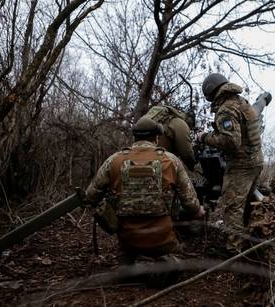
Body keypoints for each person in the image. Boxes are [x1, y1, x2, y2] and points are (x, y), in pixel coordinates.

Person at [85, 117, 205, 265]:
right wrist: (199, 211)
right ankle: (161, 261)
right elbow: (190, 202)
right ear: (156, 137)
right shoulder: (171, 160)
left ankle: (134, 261)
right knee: (191, 217)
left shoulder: (114, 160)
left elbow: (90, 196)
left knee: (127, 257)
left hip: (128, 240)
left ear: (135, 137)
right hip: (163, 239)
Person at [196, 73, 264, 253]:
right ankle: (252, 241)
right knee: (249, 203)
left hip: (241, 166)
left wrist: (205, 137)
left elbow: (231, 142)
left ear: (211, 92)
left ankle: (235, 250)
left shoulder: (226, 109)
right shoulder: (241, 102)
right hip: (255, 161)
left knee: (232, 207)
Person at [141, 105, 197, 170]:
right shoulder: (181, 123)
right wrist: (193, 165)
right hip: (158, 164)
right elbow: (186, 154)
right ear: (190, 121)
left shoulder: (164, 120)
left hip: (138, 159)